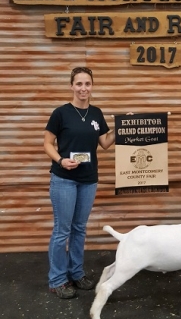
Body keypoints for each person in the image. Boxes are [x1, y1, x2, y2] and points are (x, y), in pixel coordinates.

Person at [43, 67, 116, 299]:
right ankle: (57, 280)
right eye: (79, 84)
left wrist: (122, 126)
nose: (83, 88)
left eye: (87, 84)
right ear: (71, 86)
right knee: (62, 231)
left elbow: (104, 142)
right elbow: (47, 144)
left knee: (79, 229)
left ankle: (76, 273)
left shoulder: (96, 113)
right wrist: (61, 160)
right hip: (64, 179)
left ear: (92, 86)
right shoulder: (61, 113)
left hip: (88, 180)